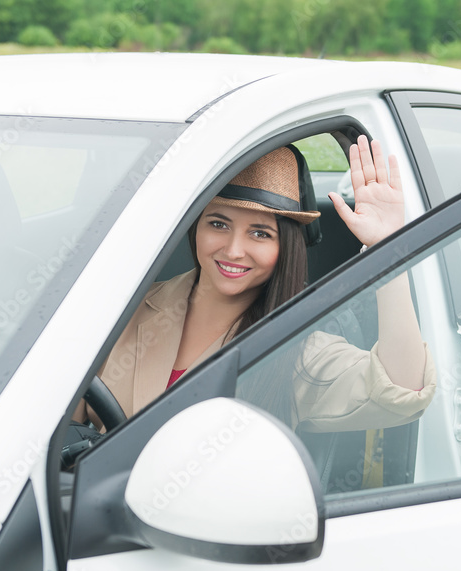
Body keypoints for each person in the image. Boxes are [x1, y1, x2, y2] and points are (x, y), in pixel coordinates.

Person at [74, 135, 436, 432]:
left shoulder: (293, 349)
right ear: (195, 228)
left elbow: (401, 391)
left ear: (286, 247)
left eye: (260, 233)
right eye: (218, 224)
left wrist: (389, 251)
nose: (233, 250)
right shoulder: (126, 309)